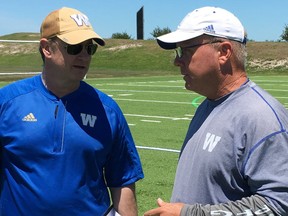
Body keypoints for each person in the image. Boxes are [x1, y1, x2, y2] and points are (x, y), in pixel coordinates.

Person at [144, 6, 288, 216]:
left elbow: (279, 204)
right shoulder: (209, 105)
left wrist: (190, 214)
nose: (177, 61)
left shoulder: (261, 117)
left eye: (186, 50)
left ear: (224, 52)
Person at [0, 7, 144, 216]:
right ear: (47, 48)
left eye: (89, 48)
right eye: (75, 47)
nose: (84, 56)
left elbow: (123, 180)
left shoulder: (108, 111)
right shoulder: (7, 102)